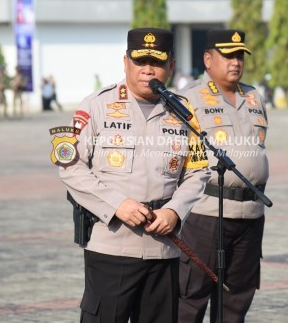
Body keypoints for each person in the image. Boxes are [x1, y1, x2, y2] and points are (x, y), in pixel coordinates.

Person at [58, 27, 211, 323]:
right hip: (112, 245)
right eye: (140, 61)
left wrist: (174, 212)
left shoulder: (184, 112)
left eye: (156, 62)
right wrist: (118, 205)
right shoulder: (96, 105)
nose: (148, 70)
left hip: (163, 248)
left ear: (171, 66)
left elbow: (198, 169)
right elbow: (70, 166)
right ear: (126, 62)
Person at [178, 29, 269, 323]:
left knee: (236, 299)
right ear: (208, 59)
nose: (235, 62)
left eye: (239, 55)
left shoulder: (254, 96)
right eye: (228, 55)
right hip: (206, 213)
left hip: (251, 213)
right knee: (191, 297)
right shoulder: (188, 97)